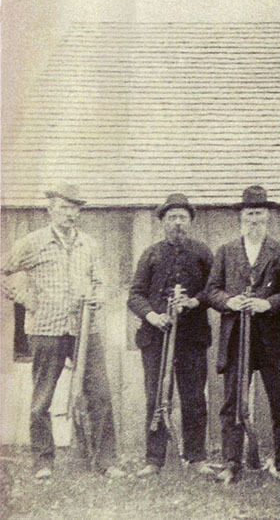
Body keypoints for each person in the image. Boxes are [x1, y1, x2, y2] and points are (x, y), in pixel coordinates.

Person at [1, 183, 125, 479]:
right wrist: (26, 299)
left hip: (85, 329)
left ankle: (106, 461)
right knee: (42, 399)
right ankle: (43, 462)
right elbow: (5, 271)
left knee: (100, 395)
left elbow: (102, 282)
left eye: (75, 208)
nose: (70, 213)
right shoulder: (32, 243)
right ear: (51, 210)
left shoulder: (89, 244)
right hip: (46, 328)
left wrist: (99, 295)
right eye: (64, 207)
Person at [205, 185, 280, 484]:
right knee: (232, 401)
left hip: (271, 338)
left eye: (259, 213)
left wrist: (267, 304)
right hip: (236, 337)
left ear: (268, 216)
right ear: (241, 217)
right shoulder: (226, 251)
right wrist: (229, 302)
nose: (254, 219)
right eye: (249, 214)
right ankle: (232, 462)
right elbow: (211, 290)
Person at [127, 193, 213, 477]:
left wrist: (194, 302)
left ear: (190, 222)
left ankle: (196, 457)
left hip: (192, 337)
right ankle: (154, 460)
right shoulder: (150, 254)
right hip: (156, 338)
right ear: (163, 221)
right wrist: (152, 315)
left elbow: (213, 290)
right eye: (172, 217)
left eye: (182, 218)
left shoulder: (202, 253)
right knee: (156, 396)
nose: (177, 222)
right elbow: (135, 295)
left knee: (194, 397)